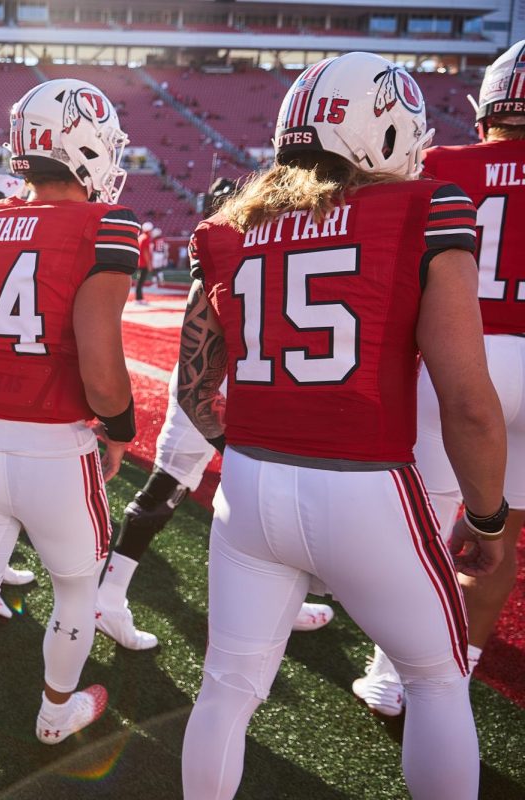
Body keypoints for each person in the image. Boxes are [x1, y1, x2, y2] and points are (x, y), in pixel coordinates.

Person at [178, 53, 506, 800]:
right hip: (365, 484)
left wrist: (256, 457)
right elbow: (468, 402)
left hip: (249, 487)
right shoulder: (426, 208)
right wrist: (485, 517)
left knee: (227, 687)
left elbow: (196, 391)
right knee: (436, 678)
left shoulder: (226, 230)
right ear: (386, 133)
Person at [0, 79, 139, 800]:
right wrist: (121, 428)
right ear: (84, 148)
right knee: (77, 590)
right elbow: (103, 371)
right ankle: (54, 713)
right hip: (54, 444)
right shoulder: (103, 228)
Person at [353, 40, 525, 717]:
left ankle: (397, 678)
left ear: (485, 110)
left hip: (460, 363)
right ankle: (460, 668)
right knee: (500, 532)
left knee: (421, 528)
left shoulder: (440, 166)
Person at [94, 179, 335, 653]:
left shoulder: (220, 237)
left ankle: (112, 592)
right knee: (251, 492)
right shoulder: (277, 235)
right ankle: (111, 594)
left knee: (181, 485)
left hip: (224, 375)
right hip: (239, 378)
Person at [135, 221, 153, 304]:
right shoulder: (146, 238)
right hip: (143, 263)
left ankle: (139, 298)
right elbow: (145, 252)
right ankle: (139, 298)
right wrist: (149, 264)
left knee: (139, 281)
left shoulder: (141, 237)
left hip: (139, 262)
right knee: (140, 281)